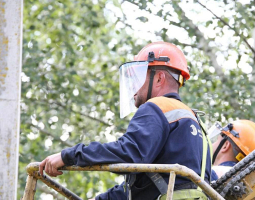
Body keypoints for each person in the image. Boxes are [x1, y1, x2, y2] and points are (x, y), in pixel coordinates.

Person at [39, 42, 212, 200]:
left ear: (159, 78)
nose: (133, 87)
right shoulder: (196, 124)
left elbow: (128, 153)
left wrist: (69, 156)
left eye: (138, 77)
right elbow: (146, 184)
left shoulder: (157, 107)